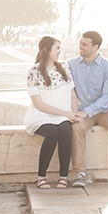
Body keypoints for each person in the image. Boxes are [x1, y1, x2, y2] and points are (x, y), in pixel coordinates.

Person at [70, 29, 108, 186]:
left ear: (95, 47)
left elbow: (106, 98)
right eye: (80, 43)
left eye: (84, 44)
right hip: (84, 111)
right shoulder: (71, 65)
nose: (80, 47)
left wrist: (86, 112)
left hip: (105, 110)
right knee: (76, 129)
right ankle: (80, 173)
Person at [24, 35, 79, 188]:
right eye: (57, 48)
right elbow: (38, 103)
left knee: (66, 131)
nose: (60, 52)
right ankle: (41, 177)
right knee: (52, 133)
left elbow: (72, 94)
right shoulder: (33, 71)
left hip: (64, 116)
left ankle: (63, 176)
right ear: (46, 50)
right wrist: (65, 113)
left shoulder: (64, 67)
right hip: (41, 116)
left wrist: (73, 113)